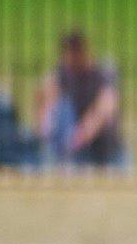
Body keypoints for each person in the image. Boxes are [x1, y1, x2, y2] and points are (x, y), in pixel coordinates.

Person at [39, 30, 126, 170]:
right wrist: (46, 126)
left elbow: (105, 108)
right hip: (81, 153)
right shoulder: (64, 72)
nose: (72, 58)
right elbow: (46, 93)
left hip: (109, 150)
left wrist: (78, 137)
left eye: (75, 52)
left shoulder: (104, 70)